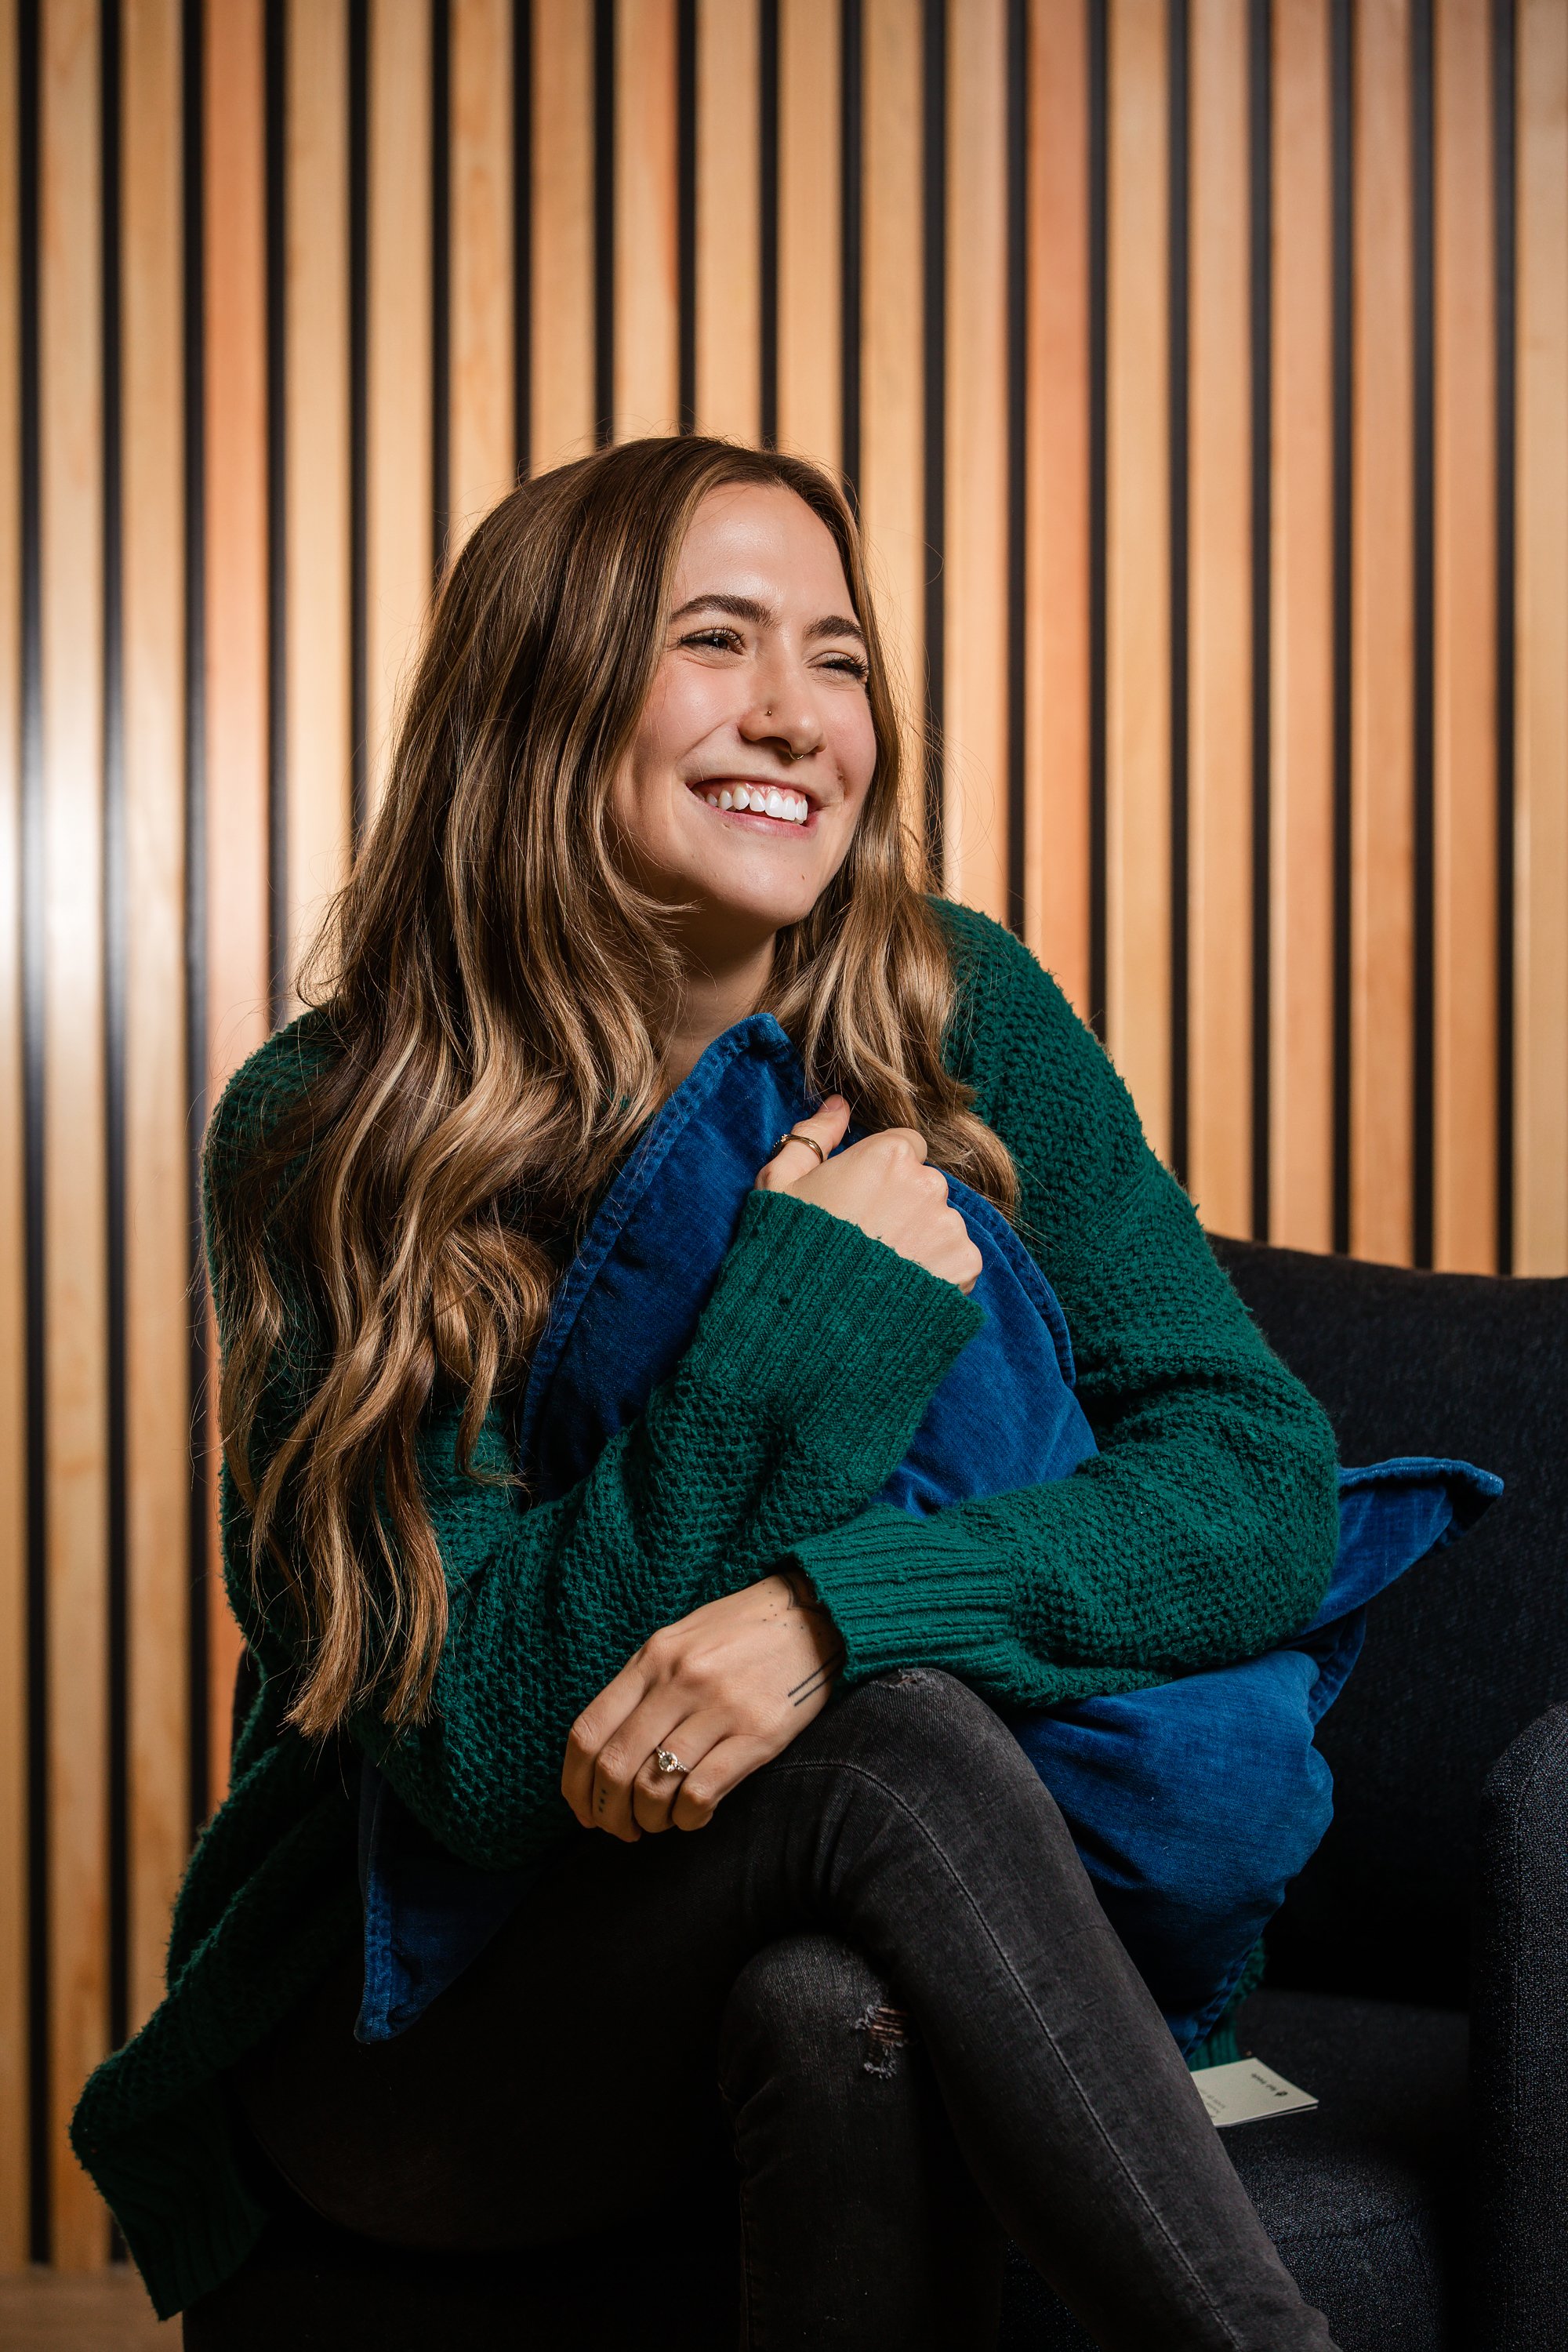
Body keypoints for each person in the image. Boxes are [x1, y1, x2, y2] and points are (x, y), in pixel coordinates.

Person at [73, 436, 1343, 2348]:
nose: (794, 713)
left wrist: (830, 1618)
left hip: (787, 1944)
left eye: (837, 657)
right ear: (546, 689)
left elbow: (1260, 1479)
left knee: (837, 2008)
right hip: (420, 2022)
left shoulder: (958, 1012)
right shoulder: (336, 1126)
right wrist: (805, 1313)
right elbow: (489, 1747)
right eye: (715, 640)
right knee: (905, 1753)